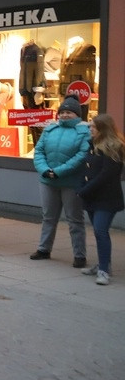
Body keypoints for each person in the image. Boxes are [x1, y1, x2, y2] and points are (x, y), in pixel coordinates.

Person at [30, 96, 91, 266]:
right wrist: (45, 170)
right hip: (48, 181)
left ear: (77, 114)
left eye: (69, 112)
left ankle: (79, 255)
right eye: (62, 112)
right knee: (48, 217)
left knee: (75, 220)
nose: (64, 115)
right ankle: (44, 249)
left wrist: (58, 171)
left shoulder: (84, 132)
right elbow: (39, 151)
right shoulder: (50, 129)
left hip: (71, 183)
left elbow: (81, 156)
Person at [76, 114, 123, 285]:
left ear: (103, 129)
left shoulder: (113, 148)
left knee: (101, 231)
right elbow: (86, 169)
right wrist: (81, 188)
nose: (90, 129)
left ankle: (103, 271)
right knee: (98, 232)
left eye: (93, 127)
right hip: (92, 197)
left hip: (106, 198)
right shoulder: (92, 145)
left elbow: (106, 175)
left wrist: (84, 190)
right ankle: (104, 264)